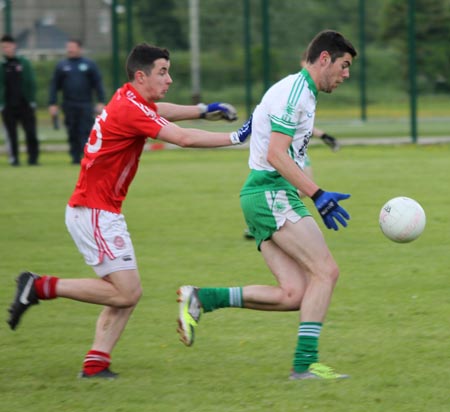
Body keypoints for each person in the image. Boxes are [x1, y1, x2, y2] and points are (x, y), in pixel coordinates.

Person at [7, 43, 252, 379]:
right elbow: (183, 139)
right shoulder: (130, 108)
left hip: (97, 210)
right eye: (162, 72)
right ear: (141, 75)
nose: (169, 79)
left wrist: (201, 109)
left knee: (125, 291)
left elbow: (159, 109)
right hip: (94, 211)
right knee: (126, 292)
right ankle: (39, 287)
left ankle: (96, 364)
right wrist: (236, 137)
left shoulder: (128, 98)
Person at [177, 30, 357, 380]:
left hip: (264, 195)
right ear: (325, 59)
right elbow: (275, 154)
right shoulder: (295, 93)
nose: (346, 74)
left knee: (293, 294)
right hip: (269, 192)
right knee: (326, 272)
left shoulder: (300, 91)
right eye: (344, 65)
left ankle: (202, 298)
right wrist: (318, 194)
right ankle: (305, 365)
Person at [48, 39, 106, 164]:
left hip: (85, 104)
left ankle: (88, 156)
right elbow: (54, 86)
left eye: (72, 47)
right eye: (68, 47)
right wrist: (52, 103)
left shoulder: (89, 64)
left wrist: (101, 101)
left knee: (86, 130)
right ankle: (75, 158)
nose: (70, 49)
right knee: (72, 130)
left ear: (79, 48)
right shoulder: (62, 66)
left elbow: (98, 84)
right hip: (68, 104)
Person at [0, 34, 39, 166]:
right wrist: (2, 103)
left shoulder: (23, 62)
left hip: (25, 105)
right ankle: (14, 159)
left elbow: (31, 82)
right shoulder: (2, 65)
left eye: (8, 46)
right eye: (3, 47)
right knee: (11, 135)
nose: (6, 49)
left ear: (14, 46)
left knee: (31, 132)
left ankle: (33, 159)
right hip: (8, 106)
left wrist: (32, 100)